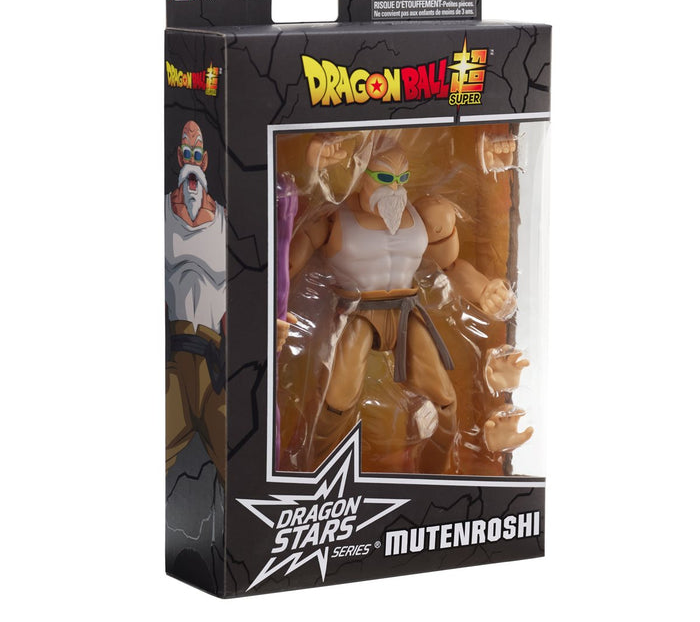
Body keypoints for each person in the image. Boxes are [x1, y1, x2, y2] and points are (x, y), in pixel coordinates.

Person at [284, 131, 532, 473]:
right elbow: (286, 266)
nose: (395, 188)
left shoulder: (426, 216)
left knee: (446, 403)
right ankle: (312, 471)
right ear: (362, 176)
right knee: (336, 403)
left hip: (406, 312)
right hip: (356, 312)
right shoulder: (333, 218)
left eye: (403, 178)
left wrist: (483, 290)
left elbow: (452, 267)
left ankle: (437, 477)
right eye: (385, 178)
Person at [165, 120, 227, 482]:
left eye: (197, 154)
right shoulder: (160, 213)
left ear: (204, 161)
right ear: (179, 157)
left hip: (214, 367)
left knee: (238, 467)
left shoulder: (225, 222)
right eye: (186, 152)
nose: (191, 162)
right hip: (173, 365)